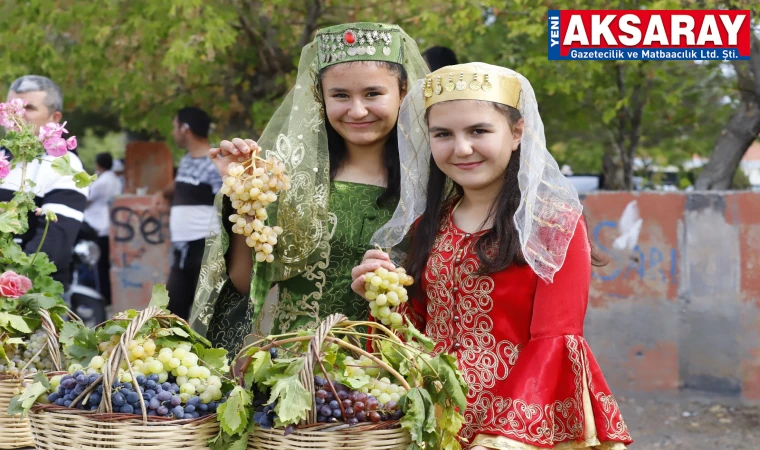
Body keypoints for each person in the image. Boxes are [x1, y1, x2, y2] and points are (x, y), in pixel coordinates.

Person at [351, 63, 633, 449]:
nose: (461, 148)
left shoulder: (553, 225)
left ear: (517, 132)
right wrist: (382, 300)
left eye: (479, 131)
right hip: (432, 422)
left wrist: (499, 439)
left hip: (516, 431)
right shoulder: (430, 224)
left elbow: (554, 340)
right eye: (443, 134)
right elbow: (417, 331)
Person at [190, 22, 429, 355]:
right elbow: (246, 283)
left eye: (373, 94)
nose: (357, 110)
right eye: (340, 95)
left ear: (403, 92)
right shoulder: (288, 177)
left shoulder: (433, 182)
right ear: (321, 97)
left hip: (393, 372)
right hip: (294, 371)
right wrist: (243, 195)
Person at [0, 75, 88, 291]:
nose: (17, 114)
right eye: (12, 107)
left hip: (29, 298)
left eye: (28, 107)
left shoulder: (65, 165)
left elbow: (52, 246)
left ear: (54, 118)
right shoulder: (3, 157)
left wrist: (8, 286)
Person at [152, 107, 222, 320]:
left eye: (175, 127)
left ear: (185, 129)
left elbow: (226, 204)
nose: (173, 133)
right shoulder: (187, 160)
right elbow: (181, 183)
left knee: (206, 314)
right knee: (173, 312)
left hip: (204, 247)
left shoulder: (215, 164)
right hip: (182, 249)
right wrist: (163, 194)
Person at [83, 152, 122, 303]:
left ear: (98, 165)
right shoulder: (116, 180)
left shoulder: (100, 182)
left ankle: (102, 296)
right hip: (110, 225)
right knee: (106, 264)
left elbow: (87, 199)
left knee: (99, 266)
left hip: (97, 227)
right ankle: (109, 295)